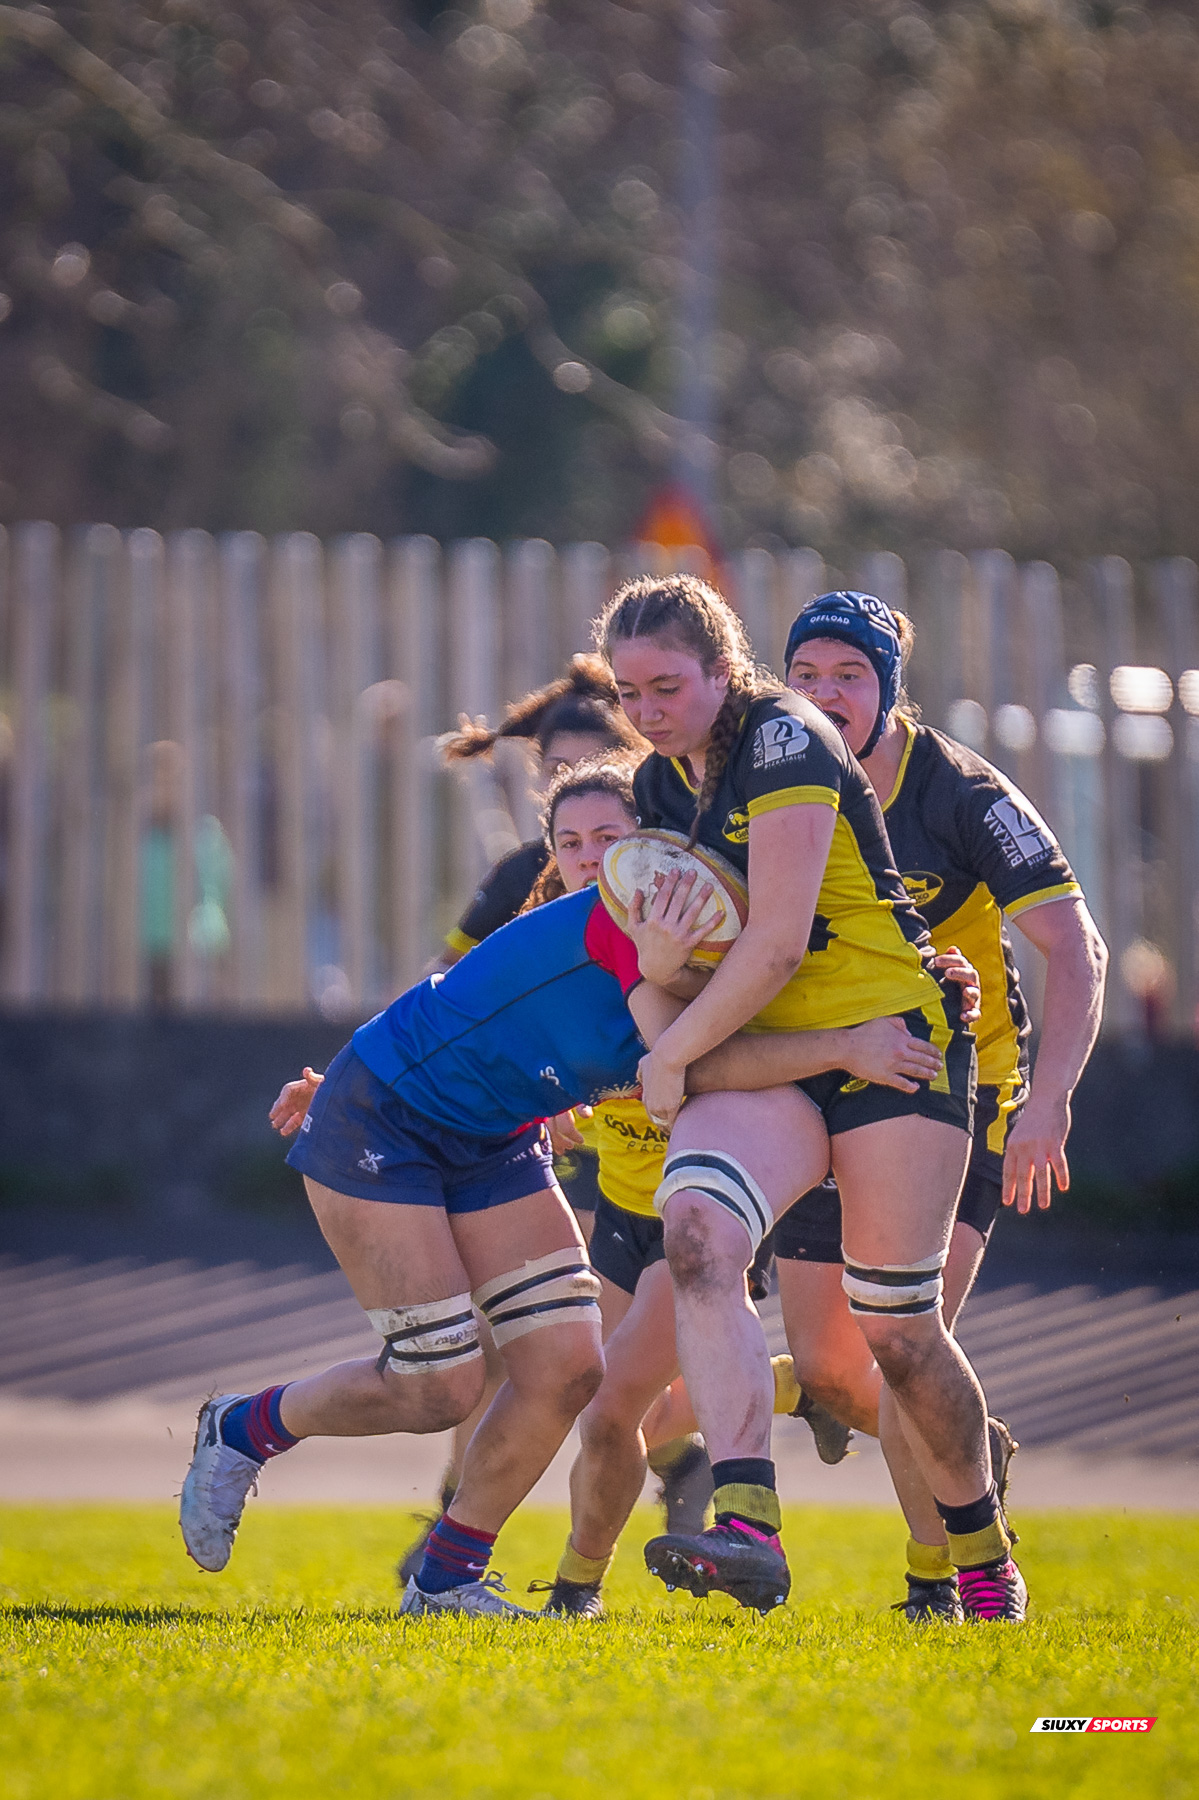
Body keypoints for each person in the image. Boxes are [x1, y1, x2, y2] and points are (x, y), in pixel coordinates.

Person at [595, 572, 1000, 1617]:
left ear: (721, 672)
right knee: (695, 1236)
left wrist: (671, 1047)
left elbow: (772, 946)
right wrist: (656, 968)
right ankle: (746, 1522)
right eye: (628, 693)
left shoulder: (781, 737)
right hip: (785, 1054)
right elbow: (689, 965)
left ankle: (982, 1562)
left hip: (893, 1041)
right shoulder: (655, 788)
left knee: (897, 1336)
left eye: (666, 687)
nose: (646, 713)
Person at [776, 590, 1108, 1621]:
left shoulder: (957, 793)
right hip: (826, 1083)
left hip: (962, 1097)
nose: (825, 697)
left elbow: (1075, 947)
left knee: (899, 1335)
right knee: (835, 1375)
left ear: (887, 690)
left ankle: (946, 1581)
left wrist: (1046, 1102)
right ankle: (972, 1447)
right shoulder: (772, 784)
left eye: (849, 678)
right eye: (807, 677)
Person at [389, 655, 650, 1581]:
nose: (568, 794)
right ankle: (454, 1518)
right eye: (552, 773)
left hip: (645, 1147)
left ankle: (697, 1464)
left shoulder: (674, 881)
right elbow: (442, 993)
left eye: (594, 765)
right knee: (517, 1341)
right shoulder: (520, 881)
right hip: (546, 1136)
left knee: (602, 1354)